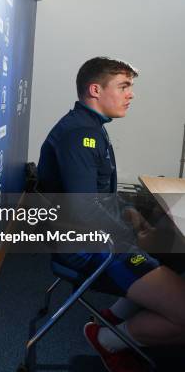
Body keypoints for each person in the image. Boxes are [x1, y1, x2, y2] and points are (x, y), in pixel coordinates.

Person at [36, 57, 185, 372]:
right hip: (89, 249)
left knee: (175, 249)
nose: (131, 94)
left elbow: (97, 195)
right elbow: (83, 209)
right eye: (124, 86)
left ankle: (116, 314)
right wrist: (132, 235)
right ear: (95, 89)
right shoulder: (80, 134)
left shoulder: (89, 126)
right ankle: (107, 338)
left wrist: (129, 212)